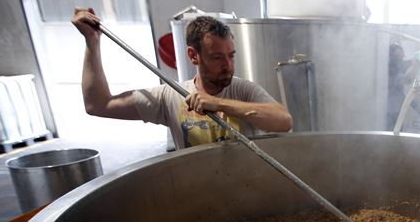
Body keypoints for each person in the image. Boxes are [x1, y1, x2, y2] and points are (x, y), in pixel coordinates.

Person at [71, 8, 292, 149]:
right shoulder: (171, 96)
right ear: (193, 56)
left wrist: (219, 103)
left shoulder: (243, 91)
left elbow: (284, 121)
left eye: (231, 56)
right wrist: (92, 42)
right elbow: (98, 105)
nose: (228, 66)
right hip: (195, 197)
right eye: (217, 57)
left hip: (246, 190)